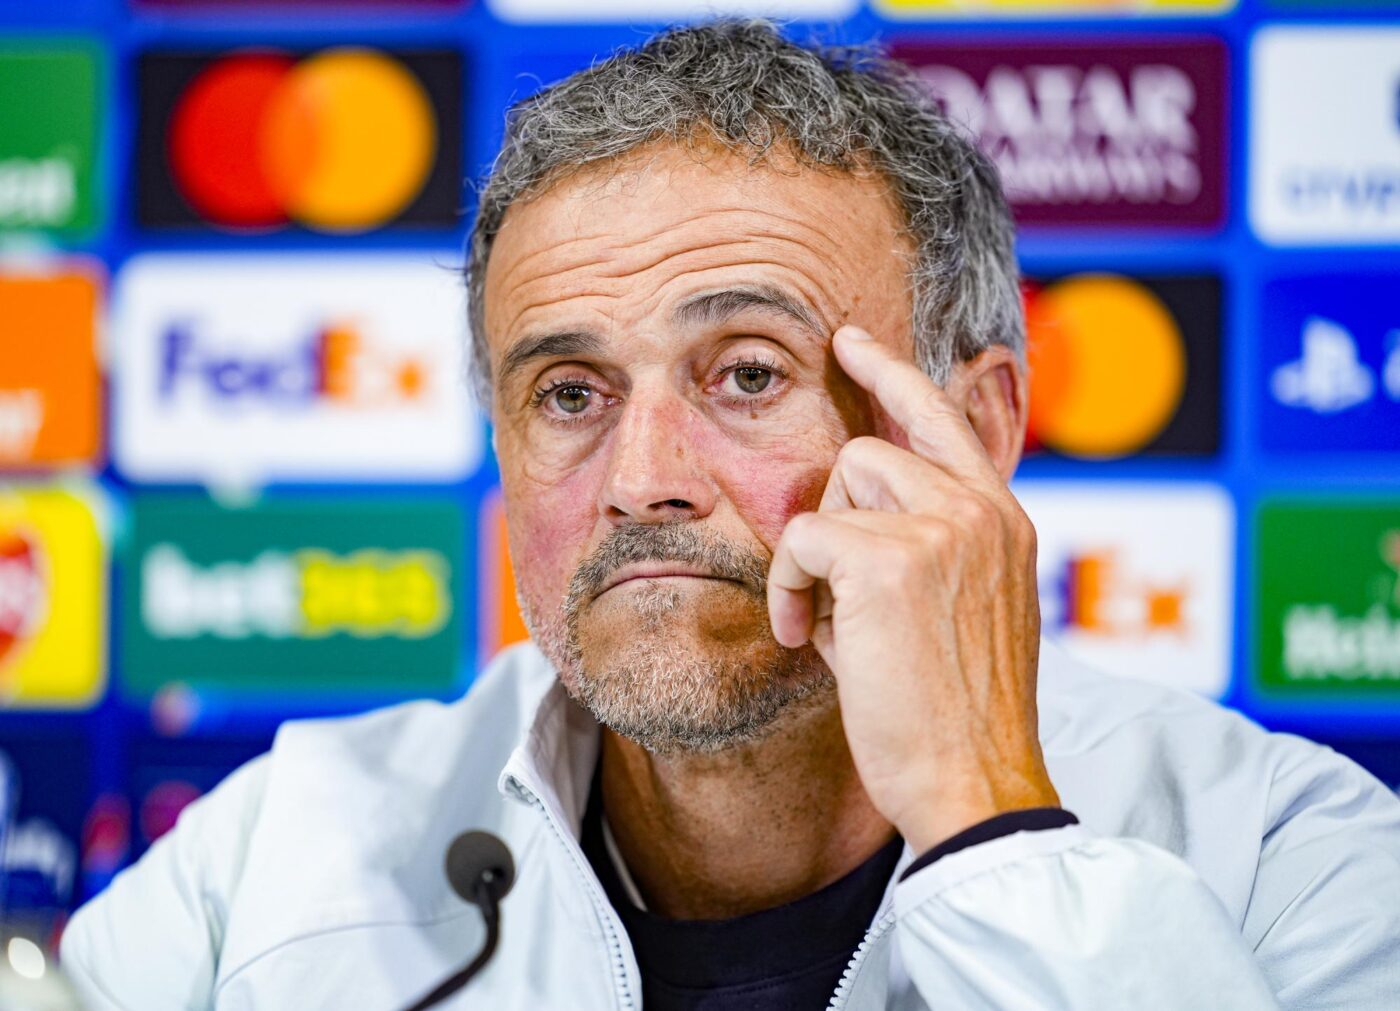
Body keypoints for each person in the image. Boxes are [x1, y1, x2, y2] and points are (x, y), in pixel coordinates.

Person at [62, 20, 1400, 1010]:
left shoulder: (1293, 863)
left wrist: (990, 824)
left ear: (978, 430)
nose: (641, 475)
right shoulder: (272, 865)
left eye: (749, 374)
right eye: (569, 392)